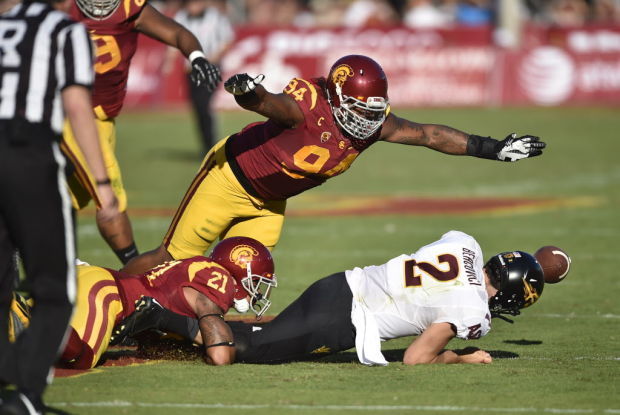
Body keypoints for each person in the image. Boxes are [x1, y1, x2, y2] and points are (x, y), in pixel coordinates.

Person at [122, 54, 546, 276]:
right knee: (170, 257)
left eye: (375, 108)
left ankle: (180, 318)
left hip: (269, 202)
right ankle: (110, 292)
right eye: (362, 107)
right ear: (340, 98)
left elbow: (429, 135)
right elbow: (271, 103)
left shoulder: (372, 125)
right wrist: (247, 93)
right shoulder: (308, 108)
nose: (370, 118)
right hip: (229, 179)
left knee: (246, 275)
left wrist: (494, 148)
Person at [125, 230, 546, 365]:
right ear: (511, 296)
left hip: (341, 283)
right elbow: (418, 358)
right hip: (344, 319)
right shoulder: (474, 311)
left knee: (258, 331)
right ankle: (158, 317)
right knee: (247, 349)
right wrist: (461, 357)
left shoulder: (465, 243)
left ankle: (165, 316)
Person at [0, 0, 118, 412]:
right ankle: (27, 397)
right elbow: (76, 105)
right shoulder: (65, 31)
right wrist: (102, 186)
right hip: (30, 158)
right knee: (54, 291)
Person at [61, 0, 222, 265]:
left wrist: (198, 57)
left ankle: (33, 254)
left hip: (102, 119)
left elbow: (178, 33)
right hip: (71, 114)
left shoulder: (129, 8)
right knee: (109, 200)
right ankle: (137, 273)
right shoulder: (62, 8)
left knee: (69, 194)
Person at [56, 236, 276, 369]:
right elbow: (220, 356)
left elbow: (153, 343)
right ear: (239, 270)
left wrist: (163, 320)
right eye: (255, 281)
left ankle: (28, 314)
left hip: (96, 281)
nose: (257, 291)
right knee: (82, 358)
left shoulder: (198, 270)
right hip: (105, 291)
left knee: (27, 339)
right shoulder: (221, 280)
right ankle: (39, 319)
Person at [168, 0, 234, 154]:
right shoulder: (181, 17)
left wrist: (213, 57)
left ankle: (213, 144)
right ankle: (206, 146)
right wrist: (169, 60)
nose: (193, 7)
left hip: (211, 67)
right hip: (191, 69)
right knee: (198, 107)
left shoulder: (216, 17)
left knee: (205, 104)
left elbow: (227, 39)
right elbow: (173, 40)